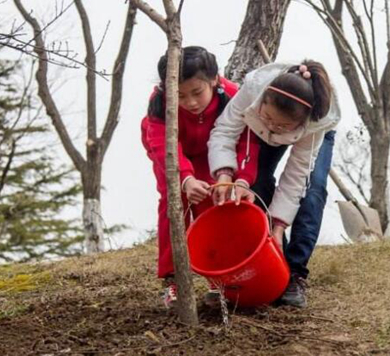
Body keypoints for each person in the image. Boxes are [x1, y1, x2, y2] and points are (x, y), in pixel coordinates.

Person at [208, 61, 340, 308]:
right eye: (268, 117)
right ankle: (265, 262)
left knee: (312, 193)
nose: (273, 125)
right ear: (263, 101)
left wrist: (279, 225)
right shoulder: (252, 92)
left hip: (313, 134)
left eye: (281, 125)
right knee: (255, 185)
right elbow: (225, 131)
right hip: (256, 130)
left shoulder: (315, 124)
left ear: (300, 123)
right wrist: (225, 173)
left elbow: (295, 177)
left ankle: (296, 274)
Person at [141, 46, 259, 309]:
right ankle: (174, 281)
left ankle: (218, 279)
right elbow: (161, 143)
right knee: (174, 206)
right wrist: (185, 179)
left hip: (215, 154)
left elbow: (246, 143)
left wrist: (239, 178)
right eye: (180, 96)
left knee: (214, 207)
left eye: (197, 92)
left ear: (214, 80)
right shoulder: (159, 102)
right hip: (172, 155)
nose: (191, 102)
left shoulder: (233, 97)